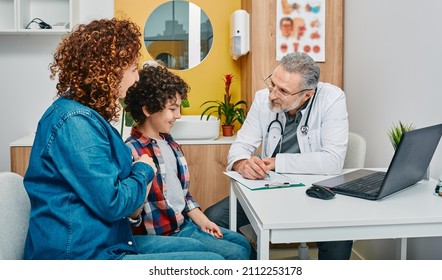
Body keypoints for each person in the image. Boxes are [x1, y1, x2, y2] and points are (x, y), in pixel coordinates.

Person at [23, 18, 223, 260]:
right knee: (210, 261)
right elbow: (114, 203)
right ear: (108, 71)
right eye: (132, 70)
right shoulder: (75, 122)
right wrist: (143, 169)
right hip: (81, 255)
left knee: (203, 252)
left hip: (110, 240)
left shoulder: (86, 118)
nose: (136, 78)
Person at [204, 52, 352, 260]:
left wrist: (276, 162)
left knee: (339, 234)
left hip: (314, 189)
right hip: (267, 188)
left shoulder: (331, 99)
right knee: (213, 219)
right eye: (272, 84)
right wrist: (241, 164)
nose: (272, 94)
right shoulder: (262, 98)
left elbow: (333, 161)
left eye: (282, 91)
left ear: (307, 94)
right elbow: (240, 147)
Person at [123, 63, 251, 260]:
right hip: (158, 236)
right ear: (148, 109)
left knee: (241, 243)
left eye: (179, 107)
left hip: (182, 225)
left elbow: (182, 195)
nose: (179, 115)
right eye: (172, 108)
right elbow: (131, 213)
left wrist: (202, 220)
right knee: (234, 254)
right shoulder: (130, 151)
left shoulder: (170, 143)